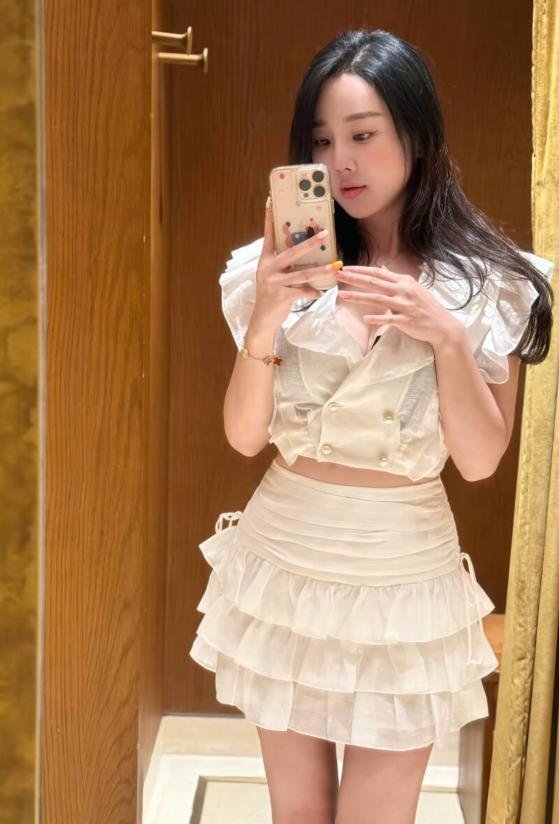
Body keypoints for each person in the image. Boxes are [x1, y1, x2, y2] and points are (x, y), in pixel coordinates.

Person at [189, 28, 554, 824]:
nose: (340, 161)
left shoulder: (486, 284)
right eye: (322, 141)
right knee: (298, 813)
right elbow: (244, 437)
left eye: (362, 135)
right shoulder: (268, 272)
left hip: (402, 569)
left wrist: (444, 336)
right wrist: (266, 317)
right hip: (284, 557)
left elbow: (480, 460)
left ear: (415, 136)